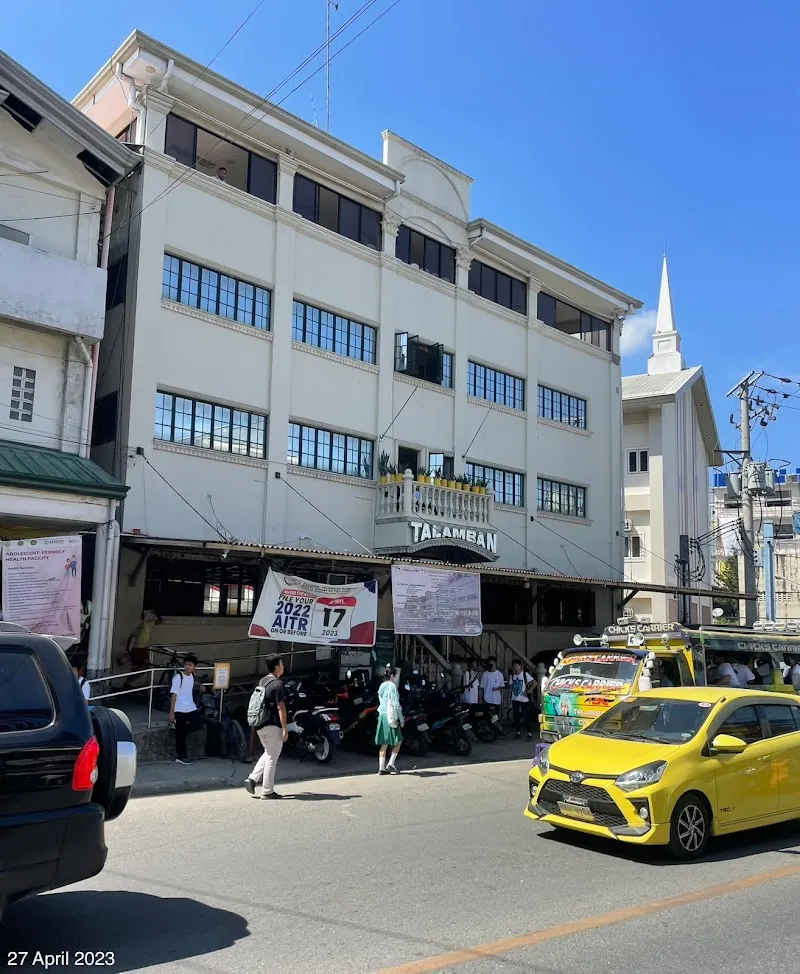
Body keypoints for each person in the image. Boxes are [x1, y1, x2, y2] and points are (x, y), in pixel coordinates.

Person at [245, 655, 289, 799]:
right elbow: (281, 707)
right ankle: (267, 790)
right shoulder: (278, 684)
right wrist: (284, 729)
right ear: (277, 667)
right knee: (272, 757)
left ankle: (252, 779)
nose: (283, 666)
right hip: (272, 725)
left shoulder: (263, 680)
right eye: (282, 664)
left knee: (269, 752)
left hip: (260, 724)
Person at [169, 654, 202, 765]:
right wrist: (171, 712)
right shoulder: (178, 677)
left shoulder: (192, 676)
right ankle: (181, 757)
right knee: (180, 735)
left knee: (198, 724)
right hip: (179, 709)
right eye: (186, 664)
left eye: (190, 665)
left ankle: (181, 730)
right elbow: (173, 694)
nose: (187, 667)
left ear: (194, 667)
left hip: (190, 707)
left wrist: (200, 685)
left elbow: (191, 684)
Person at [375, 668, 403, 775]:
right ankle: (391, 763)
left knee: (384, 742)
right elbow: (396, 705)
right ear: (391, 675)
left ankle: (381, 768)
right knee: (398, 740)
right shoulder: (392, 686)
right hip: (391, 716)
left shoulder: (381, 686)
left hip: (382, 716)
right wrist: (401, 719)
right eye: (395, 676)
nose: (395, 678)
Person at [510, 659, 535, 740]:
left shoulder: (525, 674)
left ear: (520, 666)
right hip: (515, 698)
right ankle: (518, 732)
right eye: (514, 666)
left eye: (516, 665)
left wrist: (528, 691)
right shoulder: (512, 676)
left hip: (524, 699)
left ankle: (529, 733)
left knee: (526, 716)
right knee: (516, 716)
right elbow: (511, 686)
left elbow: (535, 683)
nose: (515, 667)